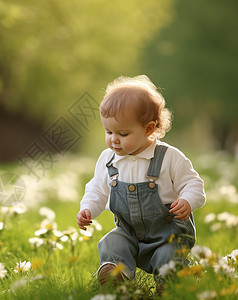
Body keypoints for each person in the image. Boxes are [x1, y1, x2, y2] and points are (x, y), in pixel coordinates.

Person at [76, 75, 205, 287]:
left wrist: (188, 201)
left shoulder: (169, 157)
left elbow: (193, 184)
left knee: (169, 256)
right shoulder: (108, 159)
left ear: (148, 129)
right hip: (129, 232)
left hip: (168, 234)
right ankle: (117, 276)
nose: (113, 139)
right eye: (108, 132)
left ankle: (169, 284)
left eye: (123, 133)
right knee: (111, 242)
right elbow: (97, 190)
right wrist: (88, 208)